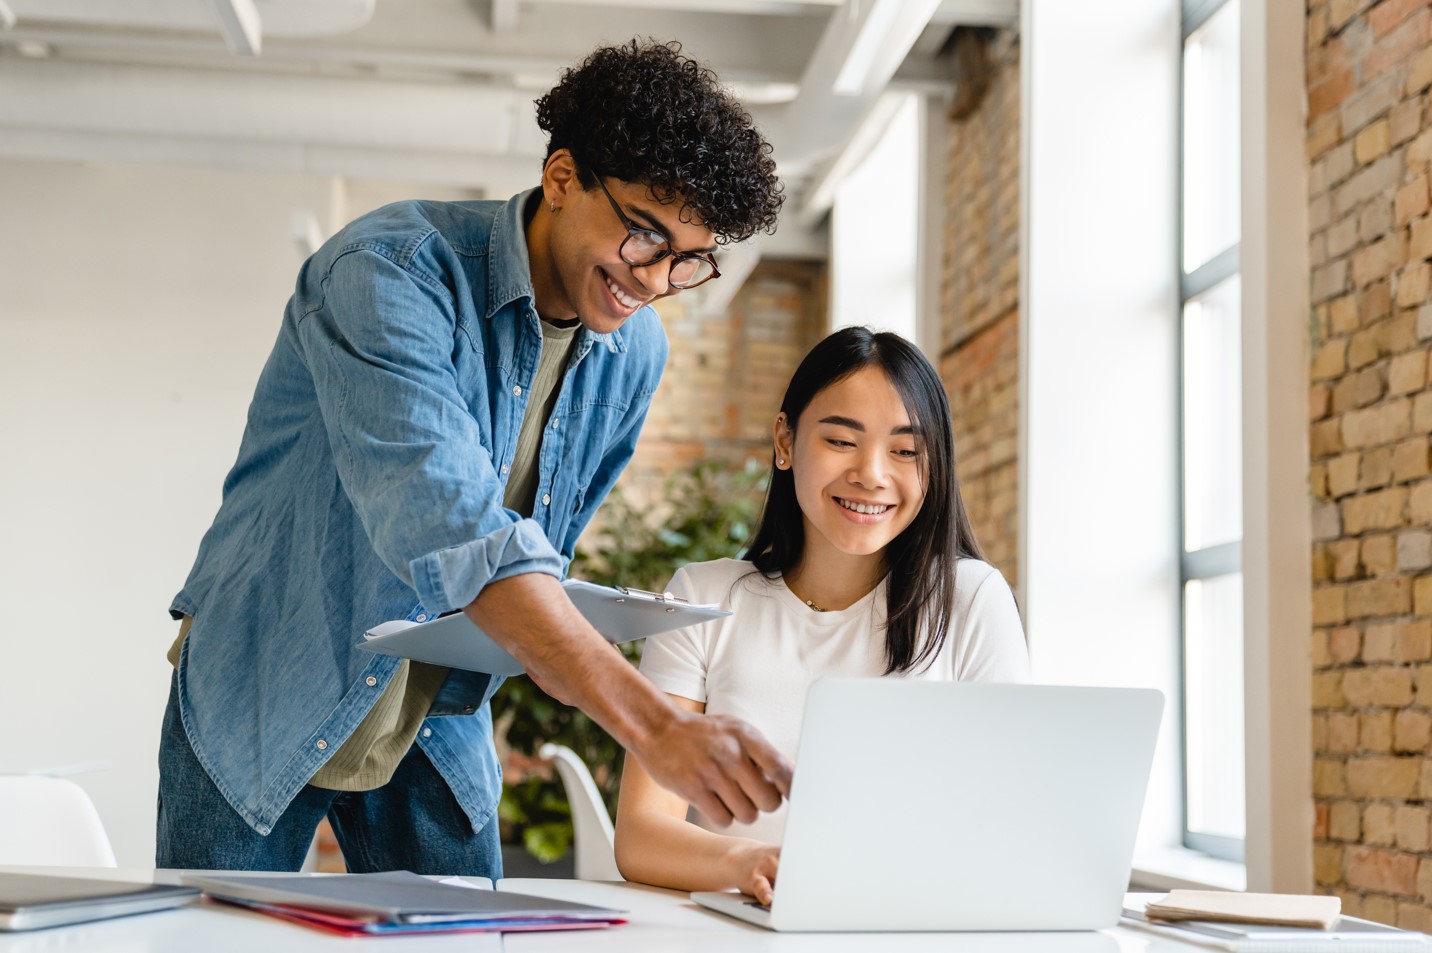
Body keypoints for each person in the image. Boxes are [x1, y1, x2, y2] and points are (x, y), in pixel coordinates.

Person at [157, 40, 792, 875]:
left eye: (690, 259)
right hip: (271, 678)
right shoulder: (388, 274)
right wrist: (658, 725)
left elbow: (541, 546)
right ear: (562, 177)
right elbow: (457, 530)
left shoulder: (632, 353)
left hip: (430, 708)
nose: (656, 281)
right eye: (645, 236)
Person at [613, 327, 1030, 904]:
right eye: (841, 441)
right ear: (784, 442)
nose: (872, 474)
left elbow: (1009, 821)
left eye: (906, 451)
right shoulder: (703, 598)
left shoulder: (970, 599)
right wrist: (754, 864)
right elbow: (641, 835)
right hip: (732, 929)